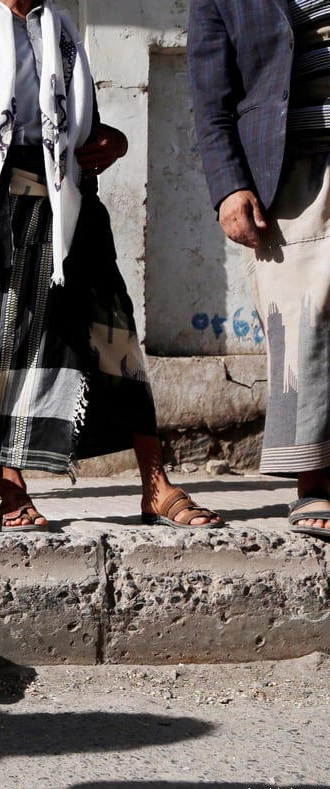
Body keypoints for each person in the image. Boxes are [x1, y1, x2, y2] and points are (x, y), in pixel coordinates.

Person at [0, 0, 222, 531]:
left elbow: (80, 128)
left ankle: (155, 485)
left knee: (115, 334)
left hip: (72, 208)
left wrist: (116, 141)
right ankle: (12, 493)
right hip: (1, 213)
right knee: (10, 345)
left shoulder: (62, 37)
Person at [188, 0, 330, 538]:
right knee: (302, 326)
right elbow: (210, 99)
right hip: (288, 174)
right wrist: (228, 186)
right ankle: (313, 483)